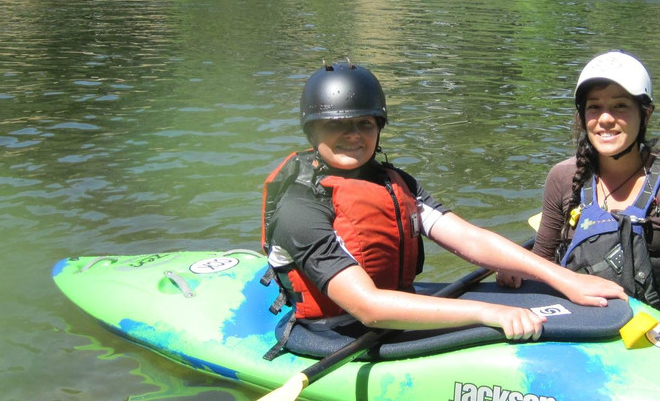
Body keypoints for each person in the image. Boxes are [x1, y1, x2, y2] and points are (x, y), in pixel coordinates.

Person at [263, 59, 626, 344]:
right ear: (312, 130)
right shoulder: (299, 207)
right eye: (336, 125)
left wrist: (563, 278)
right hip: (335, 333)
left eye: (365, 124)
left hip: (396, 314)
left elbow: (470, 239)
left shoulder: (394, 183)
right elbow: (368, 306)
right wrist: (488, 312)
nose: (354, 135)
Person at [500, 51, 660, 359]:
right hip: (583, 328)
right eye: (594, 107)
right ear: (582, 116)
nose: (605, 118)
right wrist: (517, 272)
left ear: (646, 114)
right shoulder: (563, 177)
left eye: (619, 106)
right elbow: (543, 261)